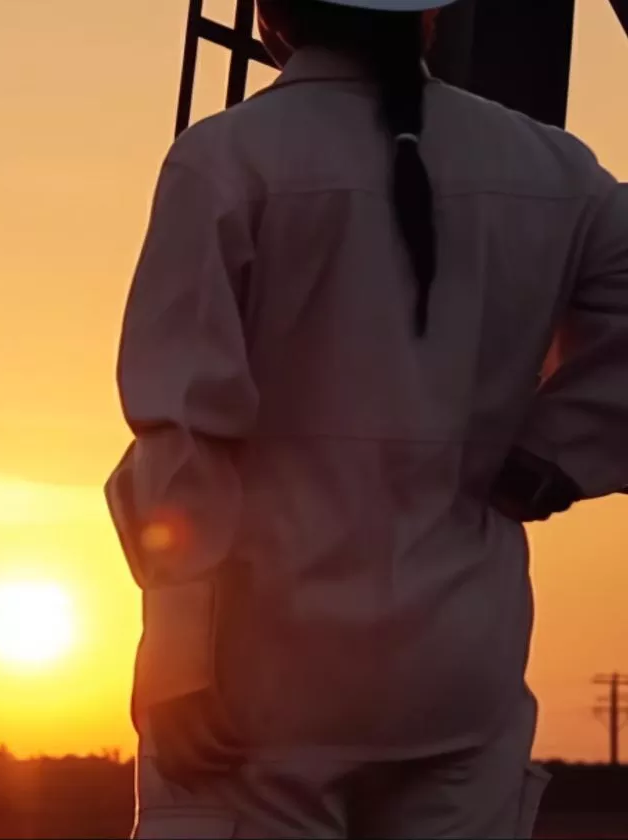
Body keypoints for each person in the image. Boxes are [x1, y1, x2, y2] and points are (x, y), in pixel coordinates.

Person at [106, 0, 628, 836]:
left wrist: (177, 651)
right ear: (431, 14)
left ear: (273, 15)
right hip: (461, 667)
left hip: (259, 676)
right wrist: (555, 451)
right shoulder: (560, 173)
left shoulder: (223, 158)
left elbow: (182, 426)